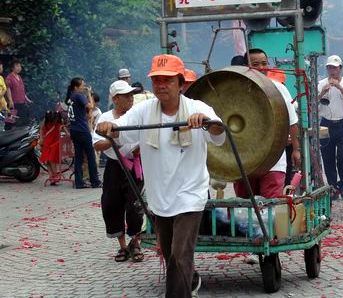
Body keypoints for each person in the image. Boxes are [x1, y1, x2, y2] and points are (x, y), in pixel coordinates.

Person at [96, 54, 225, 298]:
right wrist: (108, 129)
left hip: (190, 195)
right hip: (159, 197)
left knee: (179, 253)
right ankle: (191, 277)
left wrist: (207, 123)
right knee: (170, 255)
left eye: (167, 80)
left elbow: (220, 133)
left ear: (180, 83)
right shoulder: (144, 111)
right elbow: (120, 133)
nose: (161, 85)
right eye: (156, 81)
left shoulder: (198, 108)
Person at [233, 48, 300, 200]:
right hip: (245, 159)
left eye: (264, 63)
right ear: (246, 66)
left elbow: (292, 121)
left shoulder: (279, 88)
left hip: (273, 160)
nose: (262, 68)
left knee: (272, 204)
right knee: (245, 204)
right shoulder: (235, 89)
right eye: (256, 64)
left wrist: (296, 150)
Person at [93, 80, 145, 263]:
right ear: (115, 99)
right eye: (126, 96)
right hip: (115, 166)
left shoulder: (136, 114)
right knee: (112, 205)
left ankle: (136, 242)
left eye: (132, 95)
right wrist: (115, 139)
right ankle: (123, 246)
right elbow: (98, 144)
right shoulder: (105, 118)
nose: (130, 99)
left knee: (136, 207)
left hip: (135, 166)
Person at [318, 54, 343, 200]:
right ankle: (332, 187)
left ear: (340, 68)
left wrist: (339, 86)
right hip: (325, 123)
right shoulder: (321, 83)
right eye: (329, 68)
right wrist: (323, 92)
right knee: (327, 156)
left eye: (335, 68)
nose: (332, 71)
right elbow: (313, 103)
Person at [65, 77, 102, 189]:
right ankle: (95, 181)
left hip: (74, 130)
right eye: (82, 84)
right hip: (82, 130)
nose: (84, 86)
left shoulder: (71, 97)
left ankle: (79, 182)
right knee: (90, 156)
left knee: (79, 157)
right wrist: (89, 93)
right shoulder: (78, 95)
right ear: (76, 87)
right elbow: (91, 106)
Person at [39, 111, 66, 185]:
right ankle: (51, 176)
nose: (55, 120)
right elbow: (41, 129)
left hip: (55, 143)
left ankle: (55, 176)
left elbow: (64, 129)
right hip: (47, 143)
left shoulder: (60, 122)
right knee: (47, 160)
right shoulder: (46, 121)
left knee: (51, 160)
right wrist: (41, 138)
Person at [5, 59, 32, 128]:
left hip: (21, 102)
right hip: (14, 102)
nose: (19, 68)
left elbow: (22, 90)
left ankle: (23, 133)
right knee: (10, 121)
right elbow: (8, 89)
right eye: (17, 66)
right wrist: (10, 101)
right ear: (12, 68)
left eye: (20, 66)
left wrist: (27, 99)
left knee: (24, 119)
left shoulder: (19, 77)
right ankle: (6, 133)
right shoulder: (9, 77)